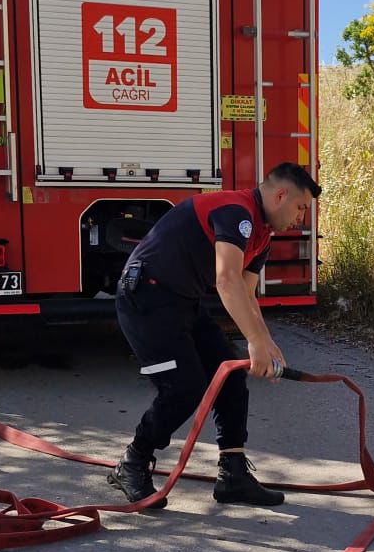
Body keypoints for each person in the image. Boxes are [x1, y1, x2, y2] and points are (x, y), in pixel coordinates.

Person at [107, 162, 320, 511]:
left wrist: (266, 343)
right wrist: (254, 343)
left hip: (181, 301)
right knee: (184, 387)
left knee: (231, 376)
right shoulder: (237, 212)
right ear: (280, 195)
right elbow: (226, 280)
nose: (301, 218)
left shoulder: (261, 236)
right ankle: (132, 462)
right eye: (300, 208)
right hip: (145, 296)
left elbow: (247, 295)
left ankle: (233, 475)